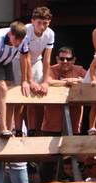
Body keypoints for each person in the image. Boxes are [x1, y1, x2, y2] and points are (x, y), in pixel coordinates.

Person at [39, 46, 86, 183]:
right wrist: (68, 82)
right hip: (50, 125)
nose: (65, 61)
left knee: (73, 161)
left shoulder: (79, 70)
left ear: (74, 60)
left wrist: (77, 81)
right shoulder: (51, 69)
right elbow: (47, 81)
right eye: (62, 58)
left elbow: (89, 80)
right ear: (57, 59)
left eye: (69, 59)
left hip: (73, 124)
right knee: (47, 162)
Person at [12, 6, 55, 137]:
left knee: (34, 95)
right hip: (19, 60)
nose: (42, 26)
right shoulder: (27, 31)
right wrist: (29, 80)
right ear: (33, 21)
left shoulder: (50, 33)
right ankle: (18, 130)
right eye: (39, 23)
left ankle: (32, 129)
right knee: (21, 95)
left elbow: (47, 59)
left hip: (37, 61)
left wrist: (45, 81)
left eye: (45, 23)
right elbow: (26, 56)